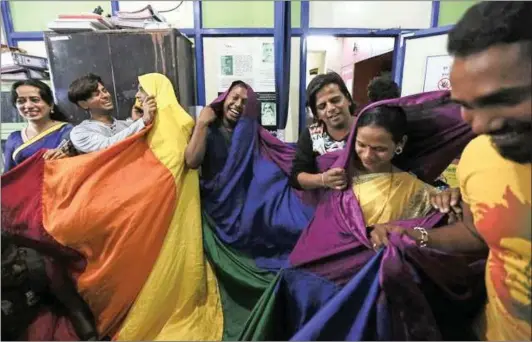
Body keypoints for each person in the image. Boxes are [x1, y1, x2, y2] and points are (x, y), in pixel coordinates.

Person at [370, 2, 531, 340]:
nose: (478, 124)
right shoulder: (479, 154)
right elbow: (478, 234)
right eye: (464, 104)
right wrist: (418, 236)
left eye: (500, 99)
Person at [1, 232, 99, 341]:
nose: (18, 269)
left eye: (17, 258)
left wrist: (91, 337)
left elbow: (73, 305)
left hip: (49, 321)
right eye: (6, 269)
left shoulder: (38, 264)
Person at [290, 72, 357, 191]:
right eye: (322, 106)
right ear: (316, 114)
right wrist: (323, 179)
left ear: (348, 99)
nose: (330, 108)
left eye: (335, 100)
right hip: (326, 204)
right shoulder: (311, 135)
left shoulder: (367, 127)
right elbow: (296, 177)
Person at [68, 73, 156, 153]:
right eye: (97, 94)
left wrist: (137, 121)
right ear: (83, 104)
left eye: (104, 91)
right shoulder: (80, 132)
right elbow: (108, 146)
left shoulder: (127, 125)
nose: (106, 96)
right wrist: (143, 121)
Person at [3, 79, 74, 172]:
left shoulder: (68, 132)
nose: (28, 105)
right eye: (21, 101)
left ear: (51, 105)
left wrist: (66, 158)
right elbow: (9, 176)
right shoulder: (14, 138)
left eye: (35, 100)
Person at [185, 80, 248, 179]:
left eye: (244, 102)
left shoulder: (250, 134)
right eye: (235, 98)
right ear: (225, 98)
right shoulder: (209, 129)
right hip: (213, 192)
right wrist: (201, 123)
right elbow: (191, 162)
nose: (238, 104)